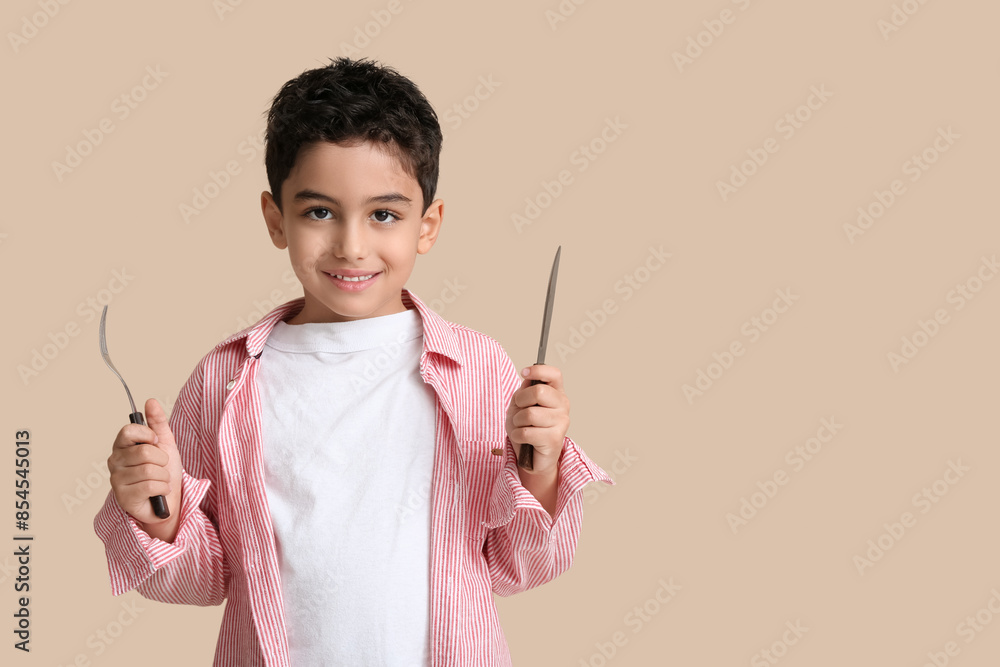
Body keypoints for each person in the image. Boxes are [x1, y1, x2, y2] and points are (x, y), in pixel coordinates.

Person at [93, 56, 614, 666]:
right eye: (319, 211)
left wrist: (542, 469)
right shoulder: (225, 380)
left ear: (428, 224)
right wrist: (157, 513)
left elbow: (519, 566)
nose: (351, 245)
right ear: (274, 218)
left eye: (384, 215)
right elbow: (204, 579)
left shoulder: (478, 369)